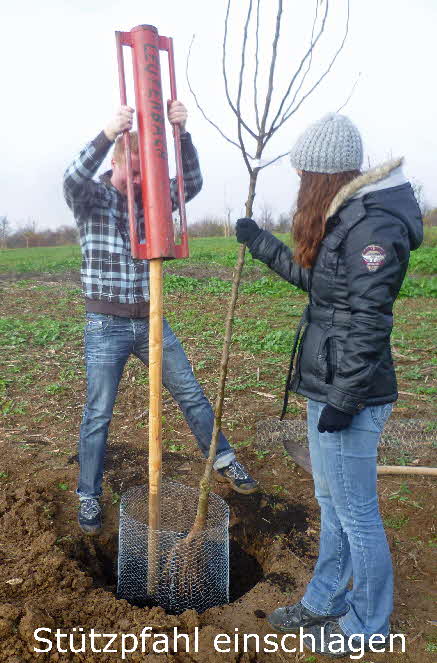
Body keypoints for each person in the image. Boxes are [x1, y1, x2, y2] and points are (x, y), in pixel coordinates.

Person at [236, 113, 422, 657]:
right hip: (328, 386)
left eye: (302, 176)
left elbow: (370, 320)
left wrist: (344, 399)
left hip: (351, 396)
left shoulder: (374, 227)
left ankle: (367, 627)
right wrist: (261, 243)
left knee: (357, 513)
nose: (299, 187)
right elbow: (319, 284)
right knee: (331, 503)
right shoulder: (346, 218)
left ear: (324, 175)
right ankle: (324, 599)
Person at [63, 102, 258, 535]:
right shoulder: (91, 197)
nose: (137, 182)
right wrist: (106, 132)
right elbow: (71, 178)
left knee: (191, 393)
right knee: (98, 413)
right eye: (131, 173)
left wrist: (182, 134)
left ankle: (223, 458)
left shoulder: (152, 195)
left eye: (142, 175)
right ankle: (89, 496)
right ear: (115, 163)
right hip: (106, 324)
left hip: (152, 319)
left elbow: (191, 183)